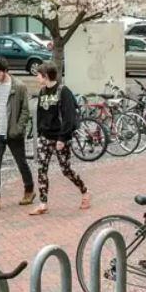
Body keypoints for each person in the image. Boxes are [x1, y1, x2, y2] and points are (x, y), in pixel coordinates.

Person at [30, 63, 89, 216]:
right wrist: (40, 132)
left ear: (46, 75)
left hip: (60, 138)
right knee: (41, 169)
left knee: (66, 170)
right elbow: (40, 113)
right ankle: (43, 204)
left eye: (39, 74)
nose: (37, 77)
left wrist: (62, 138)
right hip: (45, 137)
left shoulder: (64, 92)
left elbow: (69, 117)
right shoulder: (42, 91)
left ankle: (85, 191)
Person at [0, 58, 34, 214]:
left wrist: (18, 129)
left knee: (21, 163)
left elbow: (25, 110)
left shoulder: (19, 86)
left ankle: (29, 190)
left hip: (13, 133)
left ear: (5, 70)